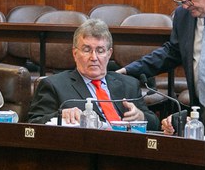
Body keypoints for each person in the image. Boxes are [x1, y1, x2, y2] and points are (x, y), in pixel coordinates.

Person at [27, 19, 160, 130]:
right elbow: (33, 125)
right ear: (75, 53)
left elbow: (155, 124)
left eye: (100, 51)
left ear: (109, 54)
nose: (94, 57)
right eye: (87, 50)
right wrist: (60, 116)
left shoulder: (129, 84)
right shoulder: (54, 85)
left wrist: (141, 116)